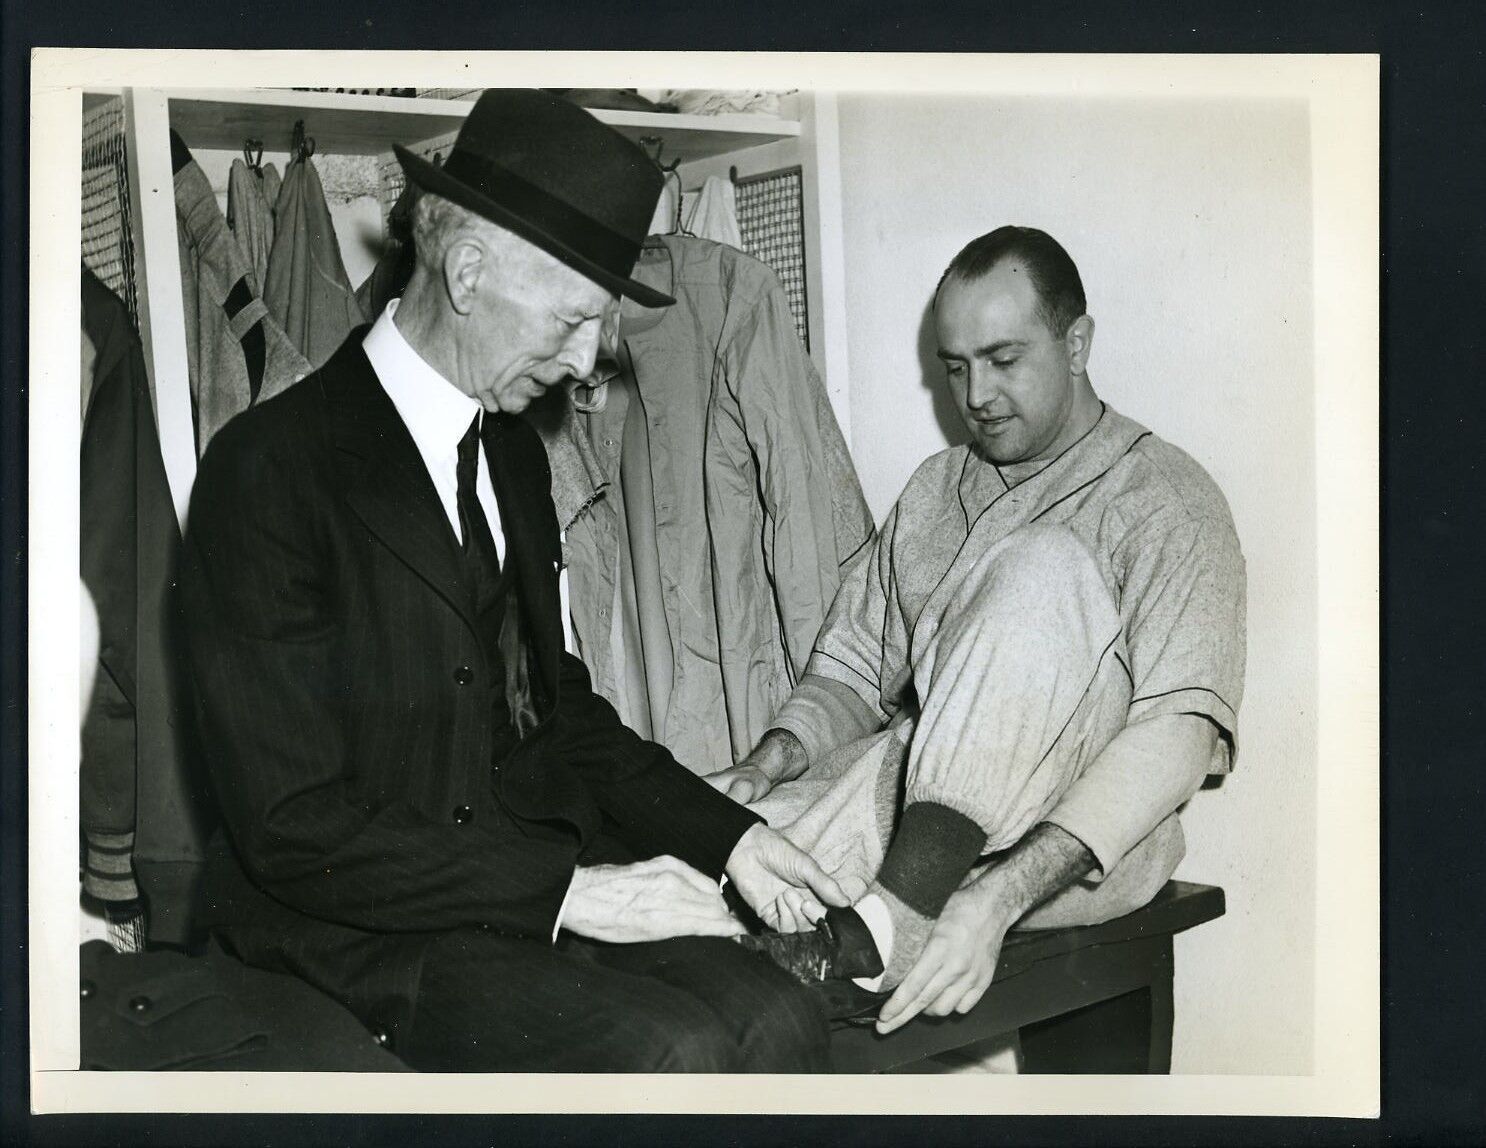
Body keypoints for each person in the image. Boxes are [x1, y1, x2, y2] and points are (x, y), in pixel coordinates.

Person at [179, 88, 847, 1073]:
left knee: (780, 1014)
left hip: (514, 879)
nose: (586, 364)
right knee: (673, 1047)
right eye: (573, 319)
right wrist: (569, 892)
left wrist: (733, 836)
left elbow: (561, 714)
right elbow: (289, 826)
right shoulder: (266, 469)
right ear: (467, 269)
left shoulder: (513, 457)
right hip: (351, 920)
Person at [712, 225, 1247, 1036]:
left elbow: (1178, 735)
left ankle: (889, 922)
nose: (977, 395)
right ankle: (874, 917)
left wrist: (991, 905)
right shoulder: (936, 488)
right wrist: (766, 764)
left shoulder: (1166, 498)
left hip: (1069, 857)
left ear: (1077, 343)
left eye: (1003, 359)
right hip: (912, 819)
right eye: (956, 368)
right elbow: (854, 669)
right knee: (687, 858)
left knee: (1041, 566)